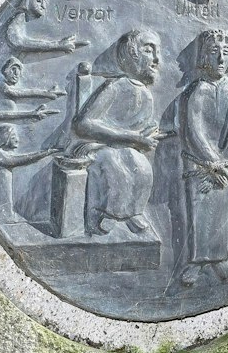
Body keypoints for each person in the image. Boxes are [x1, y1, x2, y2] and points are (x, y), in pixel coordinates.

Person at [70, 28, 164, 235]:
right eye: (149, 50)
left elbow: (139, 131)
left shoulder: (146, 96)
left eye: (158, 51)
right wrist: (133, 137)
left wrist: (147, 136)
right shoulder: (115, 86)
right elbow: (83, 124)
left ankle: (131, 213)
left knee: (142, 169)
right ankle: (103, 213)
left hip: (127, 148)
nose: (157, 59)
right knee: (115, 168)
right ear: (131, 55)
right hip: (98, 146)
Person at [178, 29, 228, 285]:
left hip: (225, 167)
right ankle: (196, 261)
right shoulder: (198, 90)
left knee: (220, 211)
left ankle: (217, 258)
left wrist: (227, 162)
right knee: (199, 211)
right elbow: (194, 131)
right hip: (201, 165)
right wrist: (213, 162)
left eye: (225, 54)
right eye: (215, 53)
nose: (220, 60)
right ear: (204, 56)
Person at [3, 0, 87, 55]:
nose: (43, 5)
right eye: (38, 0)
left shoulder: (24, 19)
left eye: (45, 2)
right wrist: (58, 45)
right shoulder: (19, 17)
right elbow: (18, 42)